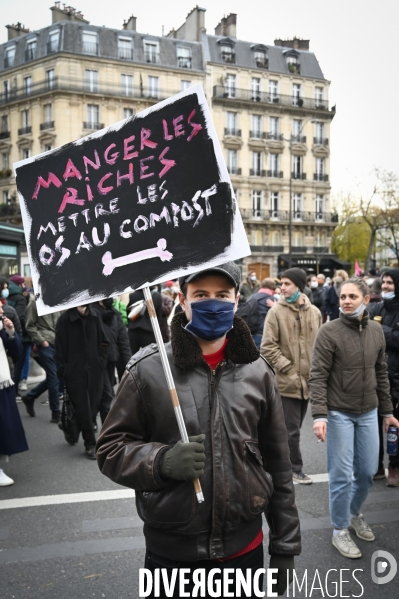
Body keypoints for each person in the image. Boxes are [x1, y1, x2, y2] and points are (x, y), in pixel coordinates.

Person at [96, 262, 300, 598]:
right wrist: (160, 461)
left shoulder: (259, 372)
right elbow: (110, 449)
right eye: (201, 295)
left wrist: (285, 546)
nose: (213, 303)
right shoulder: (147, 370)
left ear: (236, 300)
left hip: (244, 549)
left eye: (222, 295)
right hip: (172, 555)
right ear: (183, 299)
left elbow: (278, 464)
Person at [309, 278, 399, 558]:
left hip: (369, 411)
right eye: (343, 296)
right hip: (339, 413)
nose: (345, 301)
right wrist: (319, 415)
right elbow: (318, 375)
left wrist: (387, 412)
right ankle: (339, 530)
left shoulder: (376, 331)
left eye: (352, 296)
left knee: (368, 472)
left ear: (366, 299)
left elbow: (381, 373)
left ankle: (354, 513)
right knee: (340, 476)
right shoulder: (329, 331)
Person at [261, 267, 322, 484]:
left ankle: (282, 465)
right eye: (281, 283)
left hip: (310, 381)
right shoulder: (276, 311)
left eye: (287, 283)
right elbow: (267, 347)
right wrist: (288, 369)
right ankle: (294, 469)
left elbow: (320, 347)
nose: (282, 287)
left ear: (299, 285)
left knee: (292, 428)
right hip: (287, 380)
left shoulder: (314, 312)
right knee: (291, 430)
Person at [55, 305, 109, 459]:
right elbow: (59, 348)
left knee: (93, 405)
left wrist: (100, 361)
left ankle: (71, 428)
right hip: (74, 372)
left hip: (94, 371)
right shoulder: (64, 320)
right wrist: (64, 370)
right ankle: (90, 444)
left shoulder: (95, 316)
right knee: (82, 407)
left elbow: (104, 341)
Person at [368, 269, 399, 486]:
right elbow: (367, 332)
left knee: (394, 425)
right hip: (378, 375)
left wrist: (381, 330)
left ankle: (395, 466)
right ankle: (376, 465)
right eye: (384, 282)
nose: (386, 286)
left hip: (397, 377)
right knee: (375, 423)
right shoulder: (377, 307)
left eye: (390, 283)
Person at [0, 304, 29, 486]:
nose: (2, 313)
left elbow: (17, 353)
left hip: (2, 383)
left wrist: (11, 332)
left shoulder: (2, 328)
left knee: (3, 428)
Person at [22, 299, 62, 423]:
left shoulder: (57, 298)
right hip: (45, 344)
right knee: (54, 377)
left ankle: (30, 397)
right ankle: (56, 412)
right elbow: (29, 325)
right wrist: (41, 340)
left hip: (58, 344)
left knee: (54, 376)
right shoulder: (35, 302)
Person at [93, 299, 131, 426]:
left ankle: (92, 423)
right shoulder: (91, 313)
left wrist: (129, 365)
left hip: (110, 360)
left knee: (103, 396)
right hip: (95, 362)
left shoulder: (114, 314)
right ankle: (105, 434)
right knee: (106, 395)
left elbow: (123, 342)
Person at [7, 275, 30, 398]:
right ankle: (15, 390)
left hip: (8, 333)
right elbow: (21, 317)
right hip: (21, 335)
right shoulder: (20, 298)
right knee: (19, 362)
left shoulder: (7, 296)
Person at [127, 286, 163, 355]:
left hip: (133, 330)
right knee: (150, 357)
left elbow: (129, 312)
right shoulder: (156, 296)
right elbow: (159, 314)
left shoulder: (132, 295)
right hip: (149, 331)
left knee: (131, 357)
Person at [250, 278, 277, 349]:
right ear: (273, 288)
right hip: (265, 333)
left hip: (250, 332)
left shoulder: (251, 297)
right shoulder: (273, 300)